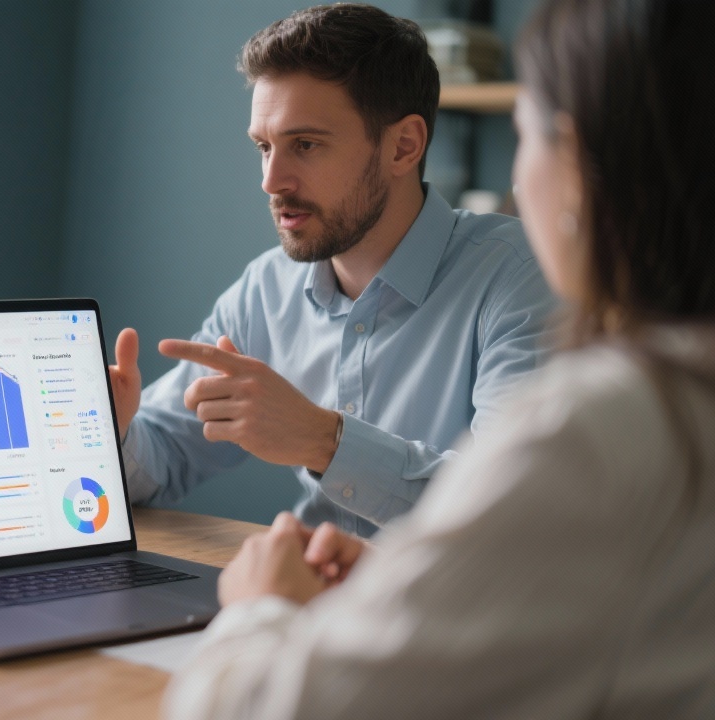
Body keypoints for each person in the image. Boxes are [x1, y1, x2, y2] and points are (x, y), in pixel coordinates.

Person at [164, 0, 715, 715]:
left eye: (525, 135)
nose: (272, 180)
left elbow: (254, 709)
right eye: (264, 147)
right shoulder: (675, 401)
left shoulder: (595, 424)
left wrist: (256, 608)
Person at [109, 3, 558, 538]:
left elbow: (512, 509)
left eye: (305, 145)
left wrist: (325, 440)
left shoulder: (518, 278)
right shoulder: (266, 291)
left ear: (404, 146)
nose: (271, 180)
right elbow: (161, 454)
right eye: (264, 147)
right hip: (306, 581)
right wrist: (112, 433)